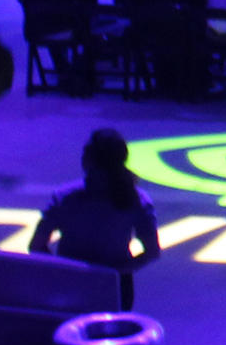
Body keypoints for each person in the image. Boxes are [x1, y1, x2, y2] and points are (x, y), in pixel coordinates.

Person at [32, 126, 164, 308]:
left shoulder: (65, 197)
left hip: (70, 286)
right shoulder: (137, 199)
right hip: (115, 288)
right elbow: (152, 252)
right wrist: (114, 272)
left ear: (87, 159)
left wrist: (63, 270)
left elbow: (36, 245)